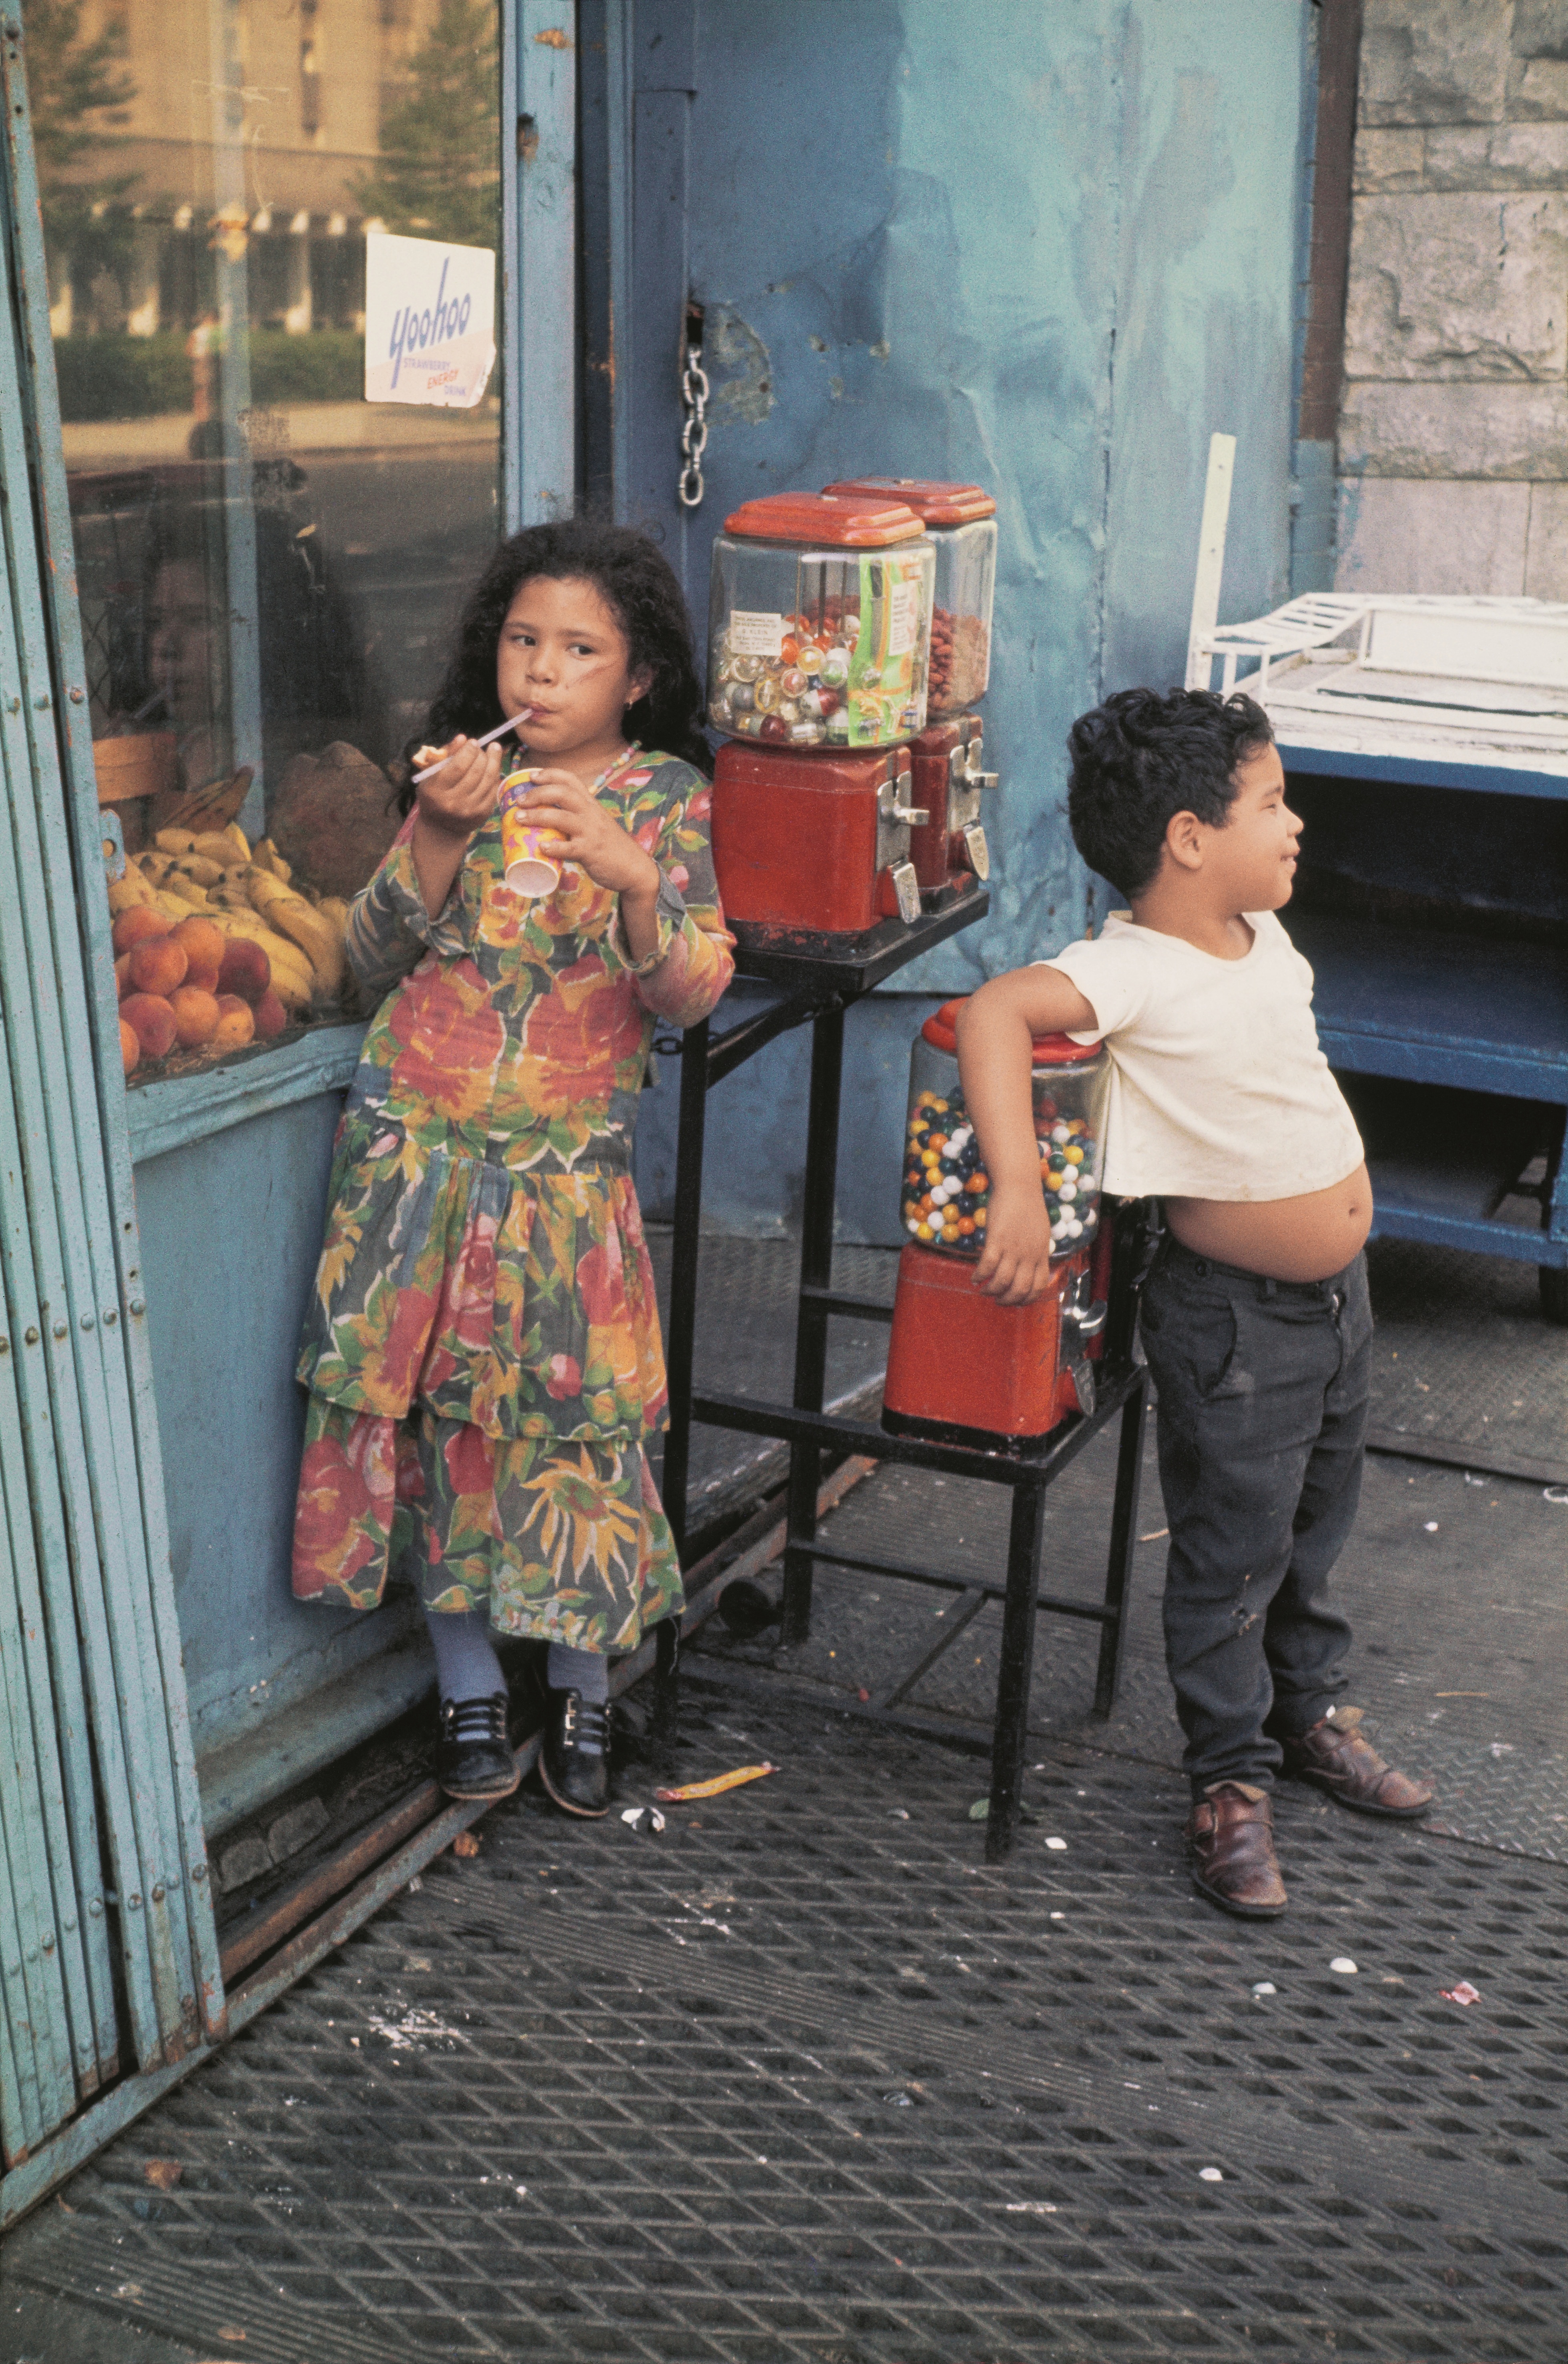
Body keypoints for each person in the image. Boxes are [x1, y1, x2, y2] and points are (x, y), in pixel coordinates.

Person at [956, 686, 1433, 1919]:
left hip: (1339, 1304)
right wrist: (1016, 1187)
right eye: (1272, 803)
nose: (1297, 825)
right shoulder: (1133, 971)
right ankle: (1228, 1782)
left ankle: (1307, 1714)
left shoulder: (1259, 934)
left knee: (1314, 1527)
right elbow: (997, 1014)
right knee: (1230, 1553)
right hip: (1236, 1325)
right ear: (1187, 838)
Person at [290, 522, 734, 1816]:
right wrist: (430, 829)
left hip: (560, 1186)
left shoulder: (664, 802)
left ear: (636, 676)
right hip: (414, 1162)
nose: (542, 674)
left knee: (570, 1429)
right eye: (523, 641)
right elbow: (367, 957)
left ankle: (588, 1685)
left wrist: (637, 882)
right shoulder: (454, 779)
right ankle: (467, 1677)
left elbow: (693, 994)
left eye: (580, 650)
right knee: (432, 1422)